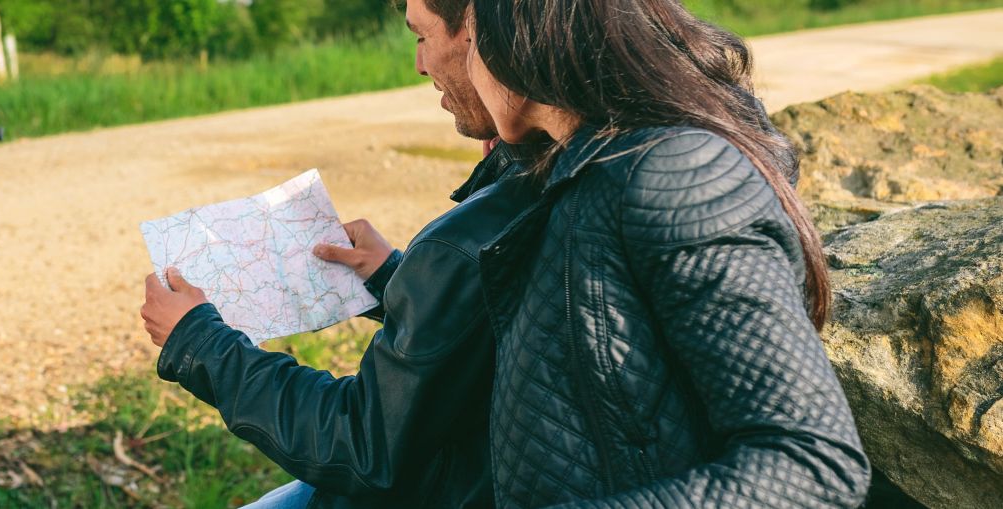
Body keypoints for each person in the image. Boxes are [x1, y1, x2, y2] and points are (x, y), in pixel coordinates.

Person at [456, 0, 870, 506]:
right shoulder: (582, 167)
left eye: (473, 42)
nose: (466, 64)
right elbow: (559, 336)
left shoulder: (674, 172)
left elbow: (812, 464)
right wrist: (385, 279)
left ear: (518, 38)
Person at [140, 0, 526, 506]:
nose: (419, 63)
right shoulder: (559, 173)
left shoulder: (477, 231)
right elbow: (488, 335)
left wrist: (199, 342)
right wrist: (393, 279)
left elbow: (365, 447)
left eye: (421, 36)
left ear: (478, 35)